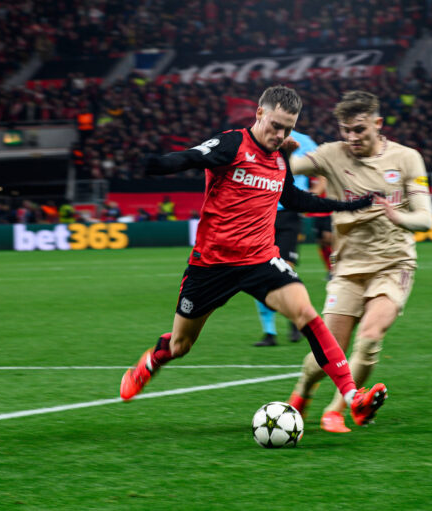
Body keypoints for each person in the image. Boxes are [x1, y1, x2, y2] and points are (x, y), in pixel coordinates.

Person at [119, 86, 388, 429]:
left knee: (307, 313)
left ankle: (353, 399)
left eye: (288, 129)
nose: (281, 135)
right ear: (259, 114)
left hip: (261, 260)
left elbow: (294, 199)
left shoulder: (280, 159)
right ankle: (151, 363)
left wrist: (349, 205)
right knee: (181, 344)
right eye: (276, 125)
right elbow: (191, 157)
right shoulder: (232, 144)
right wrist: (154, 165)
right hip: (211, 264)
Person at [286, 90, 432, 433]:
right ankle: (301, 395)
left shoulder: (407, 158)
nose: (352, 137)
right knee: (326, 353)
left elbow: (426, 219)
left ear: (377, 124)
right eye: (346, 130)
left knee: (369, 336)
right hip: (348, 268)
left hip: (394, 264)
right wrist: (281, 154)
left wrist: (401, 219)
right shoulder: (330, 155)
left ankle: (341, 409)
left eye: (360, 129)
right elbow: (286, 167)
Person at [253, 129, 317, 347]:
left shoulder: (305, 141)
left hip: (289, 213)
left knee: (285, 268)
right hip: (262, 211)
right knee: (259, 269)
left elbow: (323, 168)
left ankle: (293, 319)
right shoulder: (260, 136)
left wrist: (311, 196)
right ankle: (269, 333)